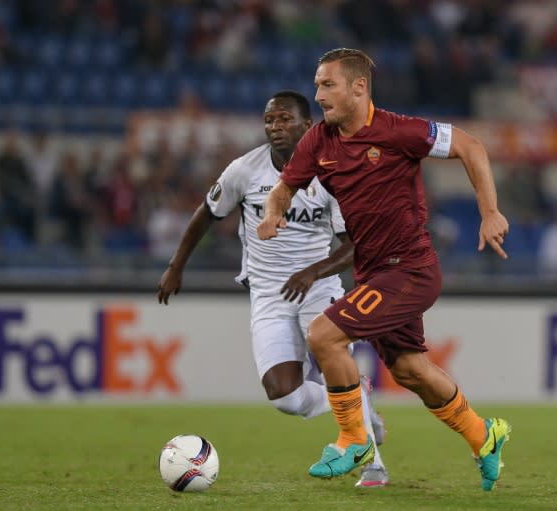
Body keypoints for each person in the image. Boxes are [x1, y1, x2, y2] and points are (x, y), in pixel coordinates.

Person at [257, 48, 511, 491]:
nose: (318, 94)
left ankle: (354, 438)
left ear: (359, 87)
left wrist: (489, 211)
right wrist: (272, 213)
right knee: (411, 370)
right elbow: (283, 188)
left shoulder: (400, 131)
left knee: (324, 335)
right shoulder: (318, 141)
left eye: (328, 84)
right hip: (375, 274)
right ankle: (483, 434)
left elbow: (472, 146)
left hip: (410, 269)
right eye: (317, 85)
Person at [157, 90, 389, 487]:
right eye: (269, 121)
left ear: (307, 125)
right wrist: (176, 265)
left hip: (318, 290)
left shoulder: (332, 174)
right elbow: (206, 214)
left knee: (335, 368)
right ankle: (356, 396)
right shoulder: (244, 171)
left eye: (284, 120)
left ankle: (374, 466)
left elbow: (355, 245)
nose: (275, 127)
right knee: (285, 397)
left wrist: (313, 272)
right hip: (267, 294)